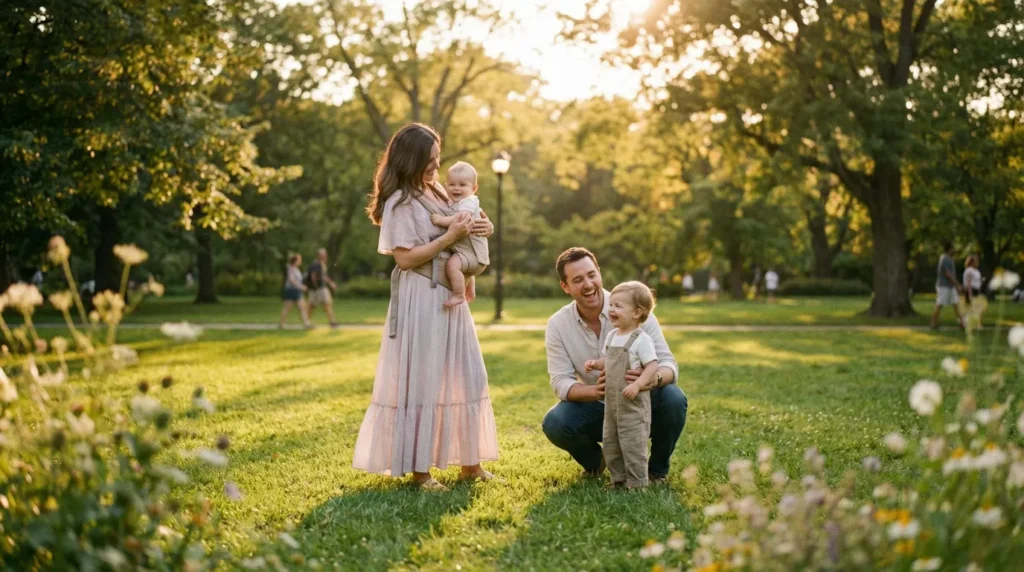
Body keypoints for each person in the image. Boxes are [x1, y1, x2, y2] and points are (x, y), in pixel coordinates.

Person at [353, 123, 498, 488]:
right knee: (424, 381)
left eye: (437, 158)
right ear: (413, 158)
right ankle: (420, 471)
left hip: (449, 291)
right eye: (430, 160)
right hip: (421, 294)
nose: (436, 166)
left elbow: (461, 230)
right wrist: (450, 236)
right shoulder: (401, 201)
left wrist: (479, 233)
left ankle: (470, 463)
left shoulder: (433, 189)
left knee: (467, 374)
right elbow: (405, 258)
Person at [542, 247, 687, 483]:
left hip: (639, 401)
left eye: (591, 275)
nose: (588, 284)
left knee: (673, 398)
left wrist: (649, 380)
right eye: (577, 280)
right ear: (565, 287)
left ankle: (656, 471)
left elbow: (669, 364)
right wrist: (596, 391)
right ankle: (596, 461)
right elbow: (560, 382)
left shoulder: (636, 307)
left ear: (599, 273)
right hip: (598, 407)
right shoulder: (558, 324)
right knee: (556, 423)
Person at [584, 281, 660, 489]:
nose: (611, 310)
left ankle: (637, 484)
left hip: (633, 404)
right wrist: (595, 364)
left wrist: (638, 385)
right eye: (611, 305)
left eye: (618, 306)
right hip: (612, 405)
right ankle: (618, 480)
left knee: (632, 444)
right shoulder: (612, 335)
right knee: (611, 443)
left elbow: (652, 366)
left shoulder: (641, 339)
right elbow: (608, 360)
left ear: (637, 313)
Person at [427, 161, 490, 308]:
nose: (456, 188)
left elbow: (461, 219)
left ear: (474, 188)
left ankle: (459, 295)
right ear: (446, 185)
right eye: (452, 184)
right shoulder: (454, 203)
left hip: (474, 255)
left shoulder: (469, 202)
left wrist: (441, 220)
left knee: (452, 265)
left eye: (462, 185)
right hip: (468, 253)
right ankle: (470, 288)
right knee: (458, 263)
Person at [930, 242, 963, 330]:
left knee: (956, 304)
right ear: (949, 249)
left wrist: (955, 285)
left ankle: (962, 323)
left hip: (950, 287)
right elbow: (947, 274)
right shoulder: (944, 258)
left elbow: (951, 274)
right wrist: (957, 284)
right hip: (943, 286)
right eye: (953, 248)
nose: (954, 250)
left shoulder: (949, 259)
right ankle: (933, 323)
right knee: (939, 304)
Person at [306, 248, 339, 328]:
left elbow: (323, 276)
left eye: (325, 254)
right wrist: (316, 287)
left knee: (325, 304)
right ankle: (306, 322)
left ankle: (332, 321)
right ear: (318, 255)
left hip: (321, 288)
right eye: (323, 254)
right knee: (313, 306)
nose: (325, 256)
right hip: (318, 289)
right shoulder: (316, 264)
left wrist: (331, 283)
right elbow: (313, 276)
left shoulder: (322, 264)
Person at [279, 254, 312, 329]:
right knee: (288, 308)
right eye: (299, 260)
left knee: (302, 307)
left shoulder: (296, 269)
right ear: (295, 261)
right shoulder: (291, 268)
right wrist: (301, 286)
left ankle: (307, 324)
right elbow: (291, 280)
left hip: (296, 290)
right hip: (291, 290)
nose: (300, 261)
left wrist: (301, 286)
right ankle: (281, 324)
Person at [962, 255, 984, 327]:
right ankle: (966, 323)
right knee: (970, 308)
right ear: (972, 262)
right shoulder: (969, 270)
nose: (977, 262)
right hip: (970, 290)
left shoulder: (976, 271)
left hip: (976, 290)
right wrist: (970, 293)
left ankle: (977, 323)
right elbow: (968, 282)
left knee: (976, 307)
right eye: (976, 261)